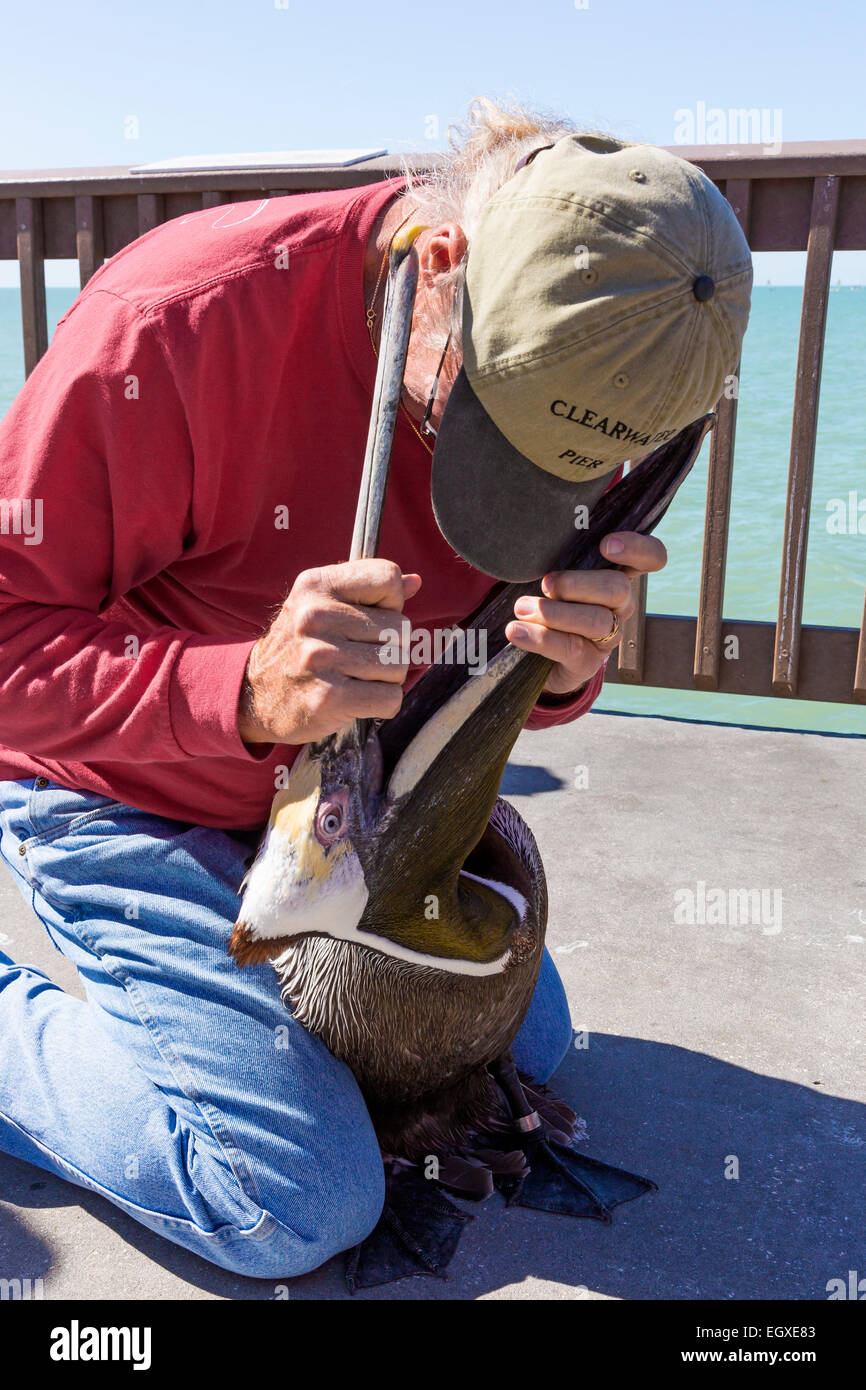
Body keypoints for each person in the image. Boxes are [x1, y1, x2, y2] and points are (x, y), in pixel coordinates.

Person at [0, 99, 751, 1277]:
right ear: (438, 268)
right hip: (112, 783)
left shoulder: (609, 351)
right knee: (291, 1199)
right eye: (480, 427)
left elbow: (495, 680)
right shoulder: (174, 325)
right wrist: (241, 693)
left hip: (326, 804)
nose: (517, 492)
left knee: (533, 1044)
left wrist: (556, 669)